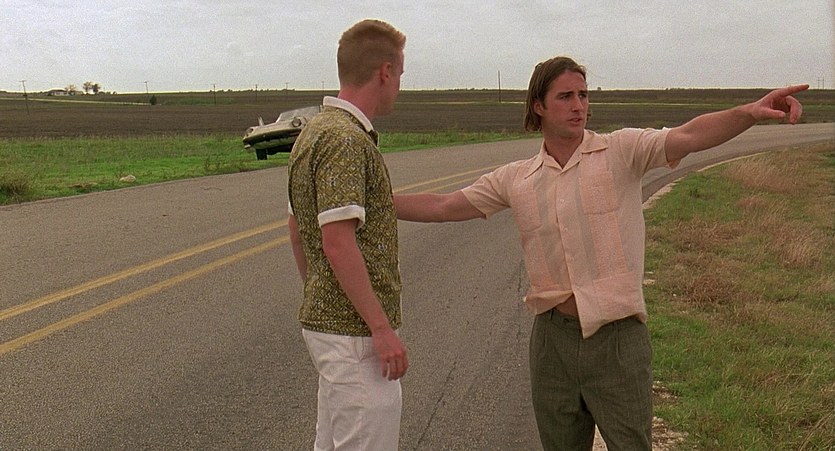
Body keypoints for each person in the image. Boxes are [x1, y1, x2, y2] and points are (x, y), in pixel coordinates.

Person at [394, 56, 807, 450]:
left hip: (617, 341)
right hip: (552, 343)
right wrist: (378, 199)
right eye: (565, 96)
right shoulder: (517, 178)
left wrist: (749, 113)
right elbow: (443, 206)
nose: (579, 106)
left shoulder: (621, 151)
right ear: (538, 106)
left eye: (583, 95)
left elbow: (689, 135)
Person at [286, 19, 407, 451]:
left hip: (335, 330)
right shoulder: (346, 141)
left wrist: (321, 290)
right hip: (355, 338)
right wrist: (381, 328)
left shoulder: (313, 132)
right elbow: (337, 241)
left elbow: (297, 229)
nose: (399, 85)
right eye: (400, 74)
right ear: (385, 72)